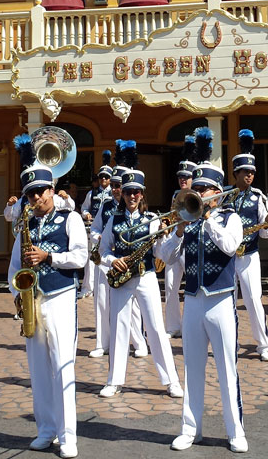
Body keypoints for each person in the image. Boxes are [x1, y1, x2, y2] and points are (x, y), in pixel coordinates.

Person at [156, 130, 248, 453]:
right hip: (192, 303)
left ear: (217, 193)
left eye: (204, 189)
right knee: (192, 369)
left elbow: (230, 246)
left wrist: (207, 219)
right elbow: (165, 256)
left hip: (221, 302)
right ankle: (189, 429)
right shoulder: (186, 223)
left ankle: (235, 430)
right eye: (195, 189)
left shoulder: (230, 218)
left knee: (227, 370)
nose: (198, 193)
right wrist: (179, 229)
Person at [8, 137, 88, 459]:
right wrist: (18, 294)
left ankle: (69, 437)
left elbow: (81, 257)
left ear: (52, 190)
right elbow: (14, 266)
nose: (36, 198)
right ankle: (46, 430)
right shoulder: (24, 224)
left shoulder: (70, 219)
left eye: (40, 192)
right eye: (30, 194)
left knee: (62, 366)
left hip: (61, 296)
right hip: (34, 302)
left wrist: (50, 257)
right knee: (38, 370)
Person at [98, 145, 183, 399]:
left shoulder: (153, 219)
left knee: (156, 328)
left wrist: (176, 236)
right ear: (121, 194)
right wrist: (113, 260)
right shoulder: (113, 219)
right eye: (127, 192)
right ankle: (114, 381)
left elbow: (163, 255)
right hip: (122, 279)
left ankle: (171, 381)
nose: (132, 196)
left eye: (136, 192)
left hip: (145, 277)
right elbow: (102, 251)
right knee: (119, 328)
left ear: (142, 194)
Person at [89, 140, 147, 359]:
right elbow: (94, 230)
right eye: (113, 185)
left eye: (119, 186)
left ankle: (138, 342)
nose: (115, 189)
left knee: (132, 306)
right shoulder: (104, 206)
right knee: (102, 302)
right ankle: (102, 343)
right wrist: (101, 238)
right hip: (106, 260)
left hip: (128, 262)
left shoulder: (138, 207)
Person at [230, 129, 268, 361]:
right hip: (227, 256)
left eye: (252, 173)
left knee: (253, 299)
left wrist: (267, 223)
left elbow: (267, 233)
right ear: (235, 173)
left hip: (249, 255)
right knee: (227, 301)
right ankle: (231, 341)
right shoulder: (224, 197)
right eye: (245, 172)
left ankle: (264, 344)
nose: (249, 176)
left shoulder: (259, 197)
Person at [165, 133, 197, 338]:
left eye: (186, 177)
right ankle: (173, 326)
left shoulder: (198, 195)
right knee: (170, 286)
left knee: (193, 287)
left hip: (192, 244)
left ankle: (191, 326)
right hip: (176, 241)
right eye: (180, 177)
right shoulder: (176, 195)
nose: (183, 180)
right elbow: (171, 215)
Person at [79, 153, 112, 301]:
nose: (103, 180)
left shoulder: (115, 192)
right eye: (101, 177)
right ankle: (87, 288)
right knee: (91, 259)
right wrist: (86, 214)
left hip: (110, 230)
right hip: (94, 229)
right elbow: (84, 208)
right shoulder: (92, 193)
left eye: (106, 177)